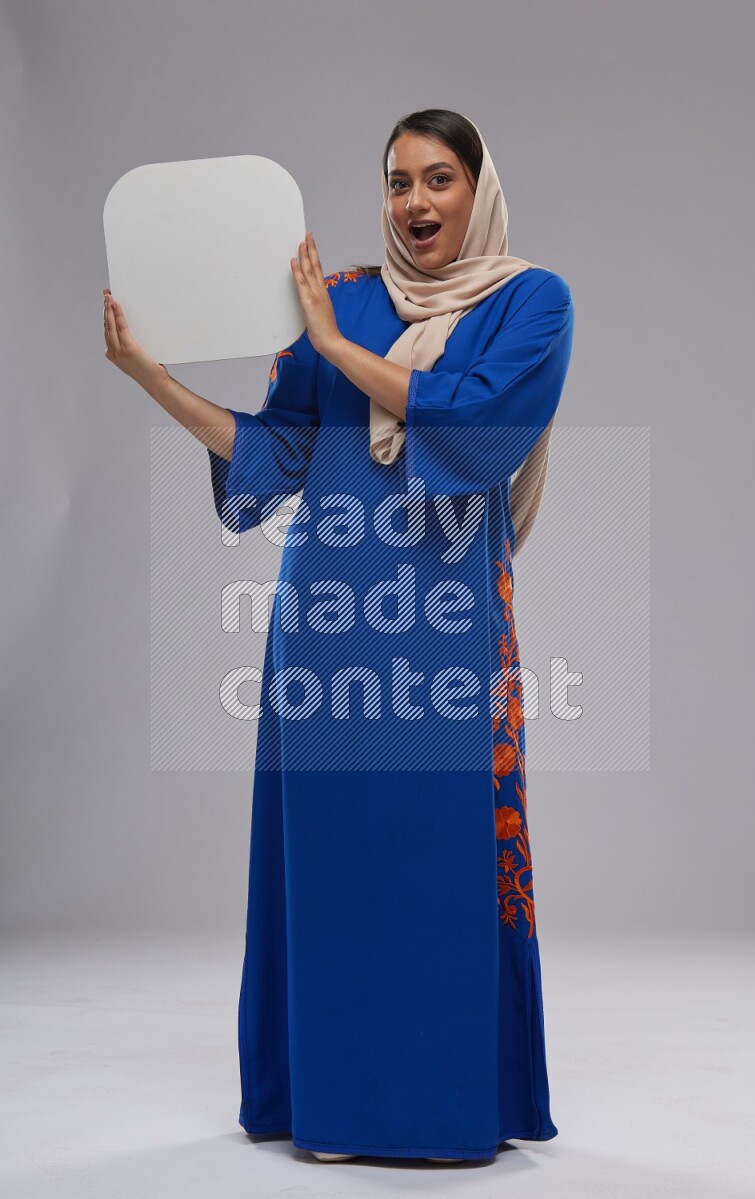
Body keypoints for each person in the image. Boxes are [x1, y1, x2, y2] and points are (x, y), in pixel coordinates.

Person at [102, 108, 574, 1166]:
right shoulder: (346, 298)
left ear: (478, 189)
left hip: (447, 627)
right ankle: (333, 1104)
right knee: (334, 865)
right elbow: (274, 456)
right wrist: (151, 375)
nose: (415, 201)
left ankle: (446, 1105)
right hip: (325, 626)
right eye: (398, 180)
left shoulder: (530, 301)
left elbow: (475, 425)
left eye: (439, 178)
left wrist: (330, 345)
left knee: (442, 859)